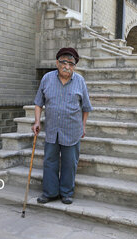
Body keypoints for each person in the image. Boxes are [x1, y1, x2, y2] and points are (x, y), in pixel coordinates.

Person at [32, 47, 92, 204]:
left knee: (69, 163)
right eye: (64, 62)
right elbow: (39, 103)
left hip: (72, 129)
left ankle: (66, 192)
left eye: (71, 63)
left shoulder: (80, 81)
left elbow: (86, 107)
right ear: (57, 63)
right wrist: (37, 121)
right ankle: (50, 192)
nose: (67, 66)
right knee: (50, 161)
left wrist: (83, 126)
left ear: (74, 66)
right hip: (52, 129)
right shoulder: (47, 78)